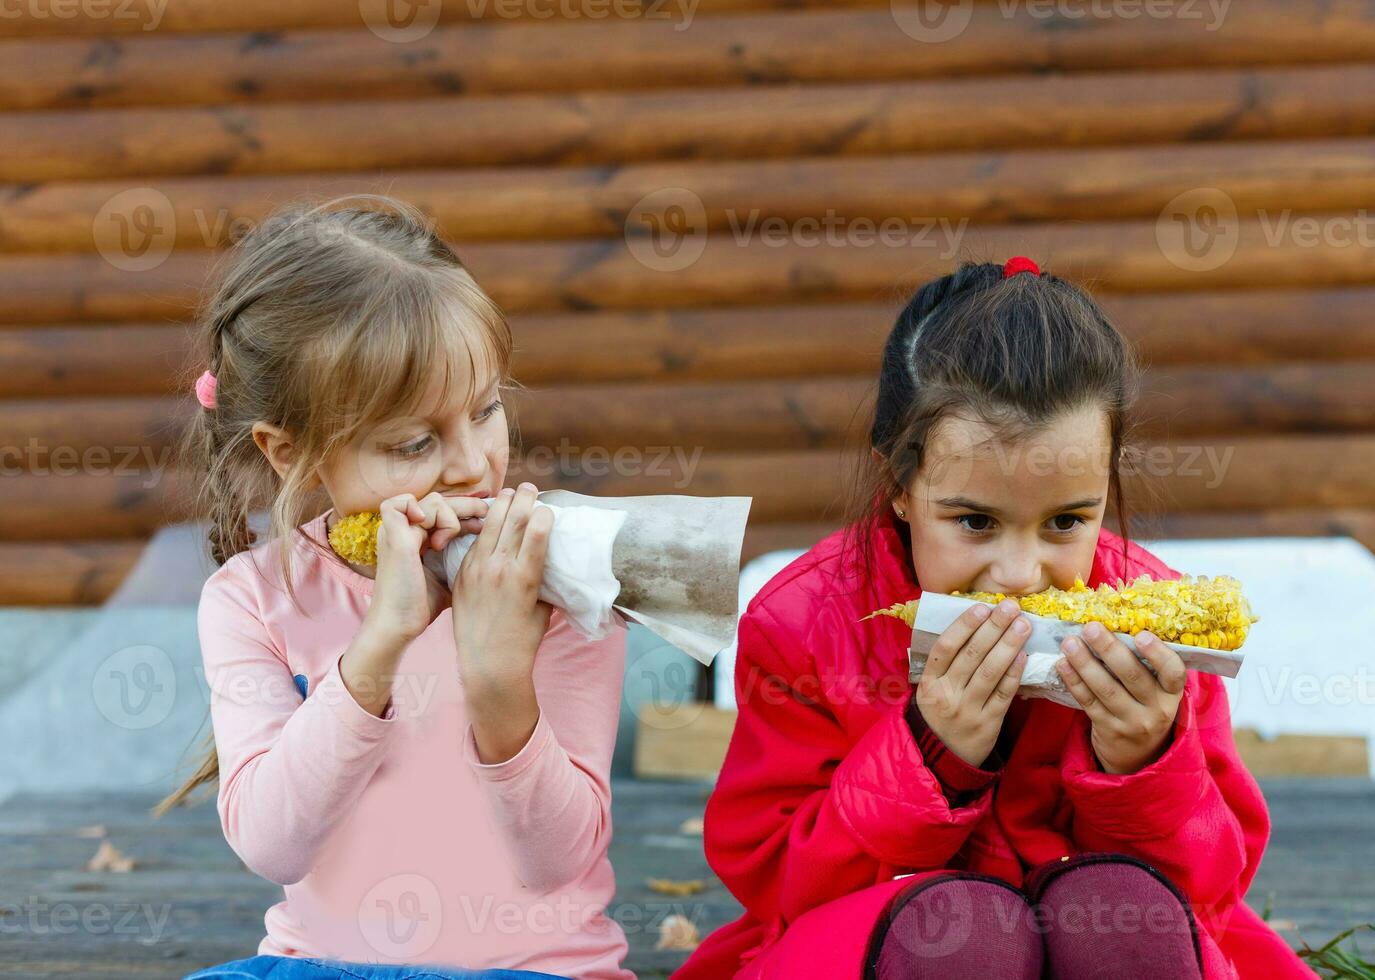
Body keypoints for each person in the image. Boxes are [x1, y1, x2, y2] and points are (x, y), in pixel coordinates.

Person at [672, 257, 1314, 979]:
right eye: (975, 521)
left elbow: (1213, 887)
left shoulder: (1155, 635)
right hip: (882, 946)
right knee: (967, 932)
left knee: (1122, 912)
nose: (1018, 574)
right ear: (901, 486)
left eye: (1067, 520)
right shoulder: (803, 624)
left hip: (1094, 944)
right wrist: (923, 756)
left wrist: (1144, 765)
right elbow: (776, 884)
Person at [156, 195, 634, 980]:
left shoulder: (559, 581)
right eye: (415, 442)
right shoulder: (253, 599)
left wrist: (496, 679)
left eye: (486, 410)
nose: (473, 463)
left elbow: (557, 860)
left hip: (537, 972)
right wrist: (379, 645)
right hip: (320, 968)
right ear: (289, 453)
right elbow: (271, 842)